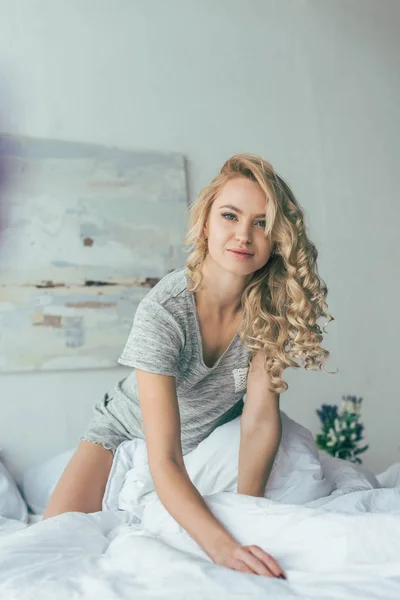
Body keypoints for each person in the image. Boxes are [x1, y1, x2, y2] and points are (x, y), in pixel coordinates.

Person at [43, 153, 334, 579]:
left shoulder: (269, 308)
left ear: (276, 239)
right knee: (52, 544)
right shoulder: (164, 313)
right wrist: (220, 549)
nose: (243, 235)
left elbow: (257, 420)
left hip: (213, 431)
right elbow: (165, 458)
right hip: (125, 432)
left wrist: (245, 515)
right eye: (230, 216)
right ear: (205, 225)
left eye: (261, 223)